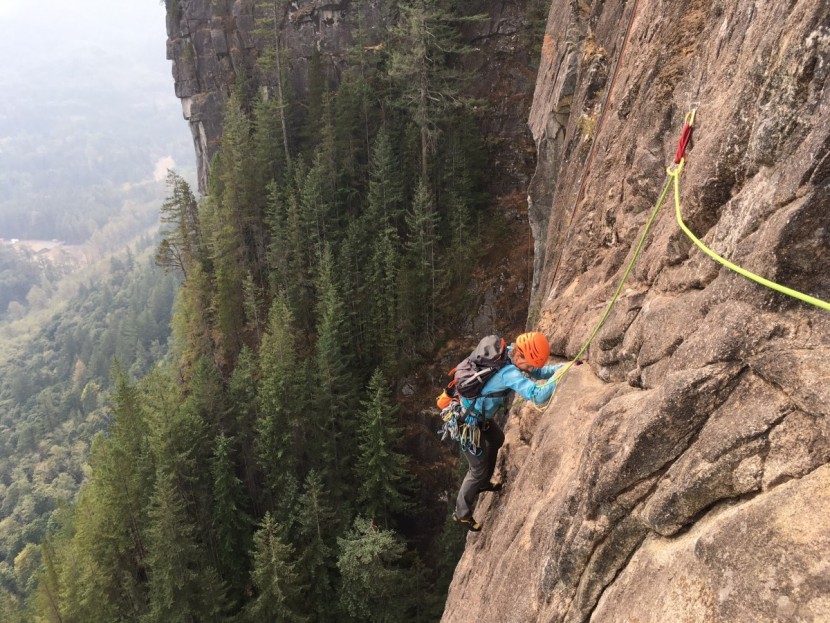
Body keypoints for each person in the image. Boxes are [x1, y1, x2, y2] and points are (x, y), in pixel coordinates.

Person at [451, 331, 564, 532]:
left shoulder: (508, 353)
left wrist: (564, 367)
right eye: (529, 365)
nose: (530, 369)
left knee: (497, 439)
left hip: (477, 415)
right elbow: (537, 396)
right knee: (476, 469)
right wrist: (561, 376)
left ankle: (483, 482)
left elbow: (537, 372)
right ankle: (462, 513)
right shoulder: (508, 373)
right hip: (468, 422)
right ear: (520, 356)